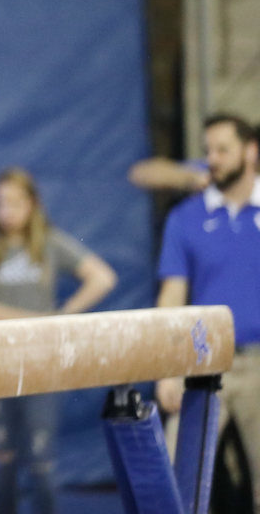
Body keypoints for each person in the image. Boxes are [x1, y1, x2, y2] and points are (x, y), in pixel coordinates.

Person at [0, 168, 118, 514]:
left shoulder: (49, 241)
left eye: (16, 202)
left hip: (39, 360)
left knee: (41, 456)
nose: (7, 211)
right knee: (5, 456)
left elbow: (103, 277)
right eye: (0, 203)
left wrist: (65, 315)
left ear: (32, 204)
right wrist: (38, 321)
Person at [155, 113, 260, 511]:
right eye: (207, 151)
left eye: (222, 150)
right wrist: (168, 367)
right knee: (172, 486)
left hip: (258, 362)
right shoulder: (186, 218)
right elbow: (172, 296)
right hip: (204, 365)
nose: (212, 159)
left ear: (251, 151)